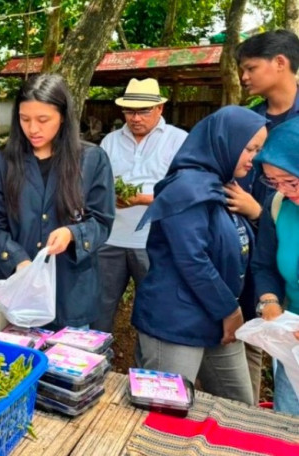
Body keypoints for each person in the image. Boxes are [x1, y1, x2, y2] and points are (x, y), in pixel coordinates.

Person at [132, 106, 267, 405]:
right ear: (224, 141)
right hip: (178, 323)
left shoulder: (224, 186)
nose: (253, 157)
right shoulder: (187, 189)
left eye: (257, 149)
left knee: (240, 409)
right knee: (166, 415)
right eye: (249, 148)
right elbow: (192, 259)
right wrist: (229, 311)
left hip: (219, 318)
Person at [0, 74, 115, 329]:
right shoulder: (1, 162)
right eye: (24, 119)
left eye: (43, 120)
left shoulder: (92, 160)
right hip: (15, 294)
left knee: (63, 367)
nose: (33, 129)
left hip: (69, 295)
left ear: (62, 116)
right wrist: (19, 260)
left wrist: (73, 234)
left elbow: (102, 221)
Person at [233, 28, 299, 402]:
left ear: (280, 62)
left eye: (250, 67)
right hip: (261, 252)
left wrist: (261, 209)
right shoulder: (248, 121)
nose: (244, 76)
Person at [93, 79, 187, 333]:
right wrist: (108, 198)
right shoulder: (110, 141)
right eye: (129, 111)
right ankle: (96, 360)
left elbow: (186, 190)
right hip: (111, 238)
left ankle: (151, 366)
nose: (135, 118)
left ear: (159, 109)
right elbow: (96, 185)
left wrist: (142, 199)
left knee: (157, 308)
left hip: (154, 240)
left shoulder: (179, 141)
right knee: (100, 306)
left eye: (143, 111)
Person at [250, 117, 299, 416]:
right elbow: (264, 265)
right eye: (272, 180)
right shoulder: (278, 205)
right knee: (288, 425)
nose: (283, 189)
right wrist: (269, 302)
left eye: (291, 180)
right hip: (293, 342)